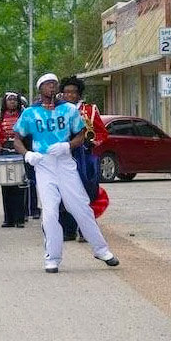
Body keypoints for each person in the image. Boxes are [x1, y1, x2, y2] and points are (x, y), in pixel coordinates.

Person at [13, 73, 119, 273]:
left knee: (81, 207)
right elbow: (17, 138)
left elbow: (81, 134)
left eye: (54, 84)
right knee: (50, 212)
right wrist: (27, 154)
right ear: (40, 89)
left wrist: (67, 146)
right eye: (47, 85)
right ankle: (52, 257)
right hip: (44, 164)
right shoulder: (30, 113)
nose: (52, 88)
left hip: (64, 162)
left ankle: (101, 249)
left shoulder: (69, 110)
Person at [60, 75, 110, 242]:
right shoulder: (56, 111)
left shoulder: (90, 110)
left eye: (73, 92)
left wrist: (92, 142)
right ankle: (68, 229)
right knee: (64, 192)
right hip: (64, 155)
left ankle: (85, 230)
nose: (70, 95)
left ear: (79, 94)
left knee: (87, 193)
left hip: (85, 156)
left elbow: (102, 133)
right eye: (66, 92)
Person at [0, 92, 27, 228]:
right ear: (5, 102)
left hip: (19, 151)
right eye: (9, 100)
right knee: (6, 187)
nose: (12, 102)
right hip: (4, 152)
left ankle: (20, 219)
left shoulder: (23, 115)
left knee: (19, 186)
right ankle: (8, 219)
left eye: (14, 100)